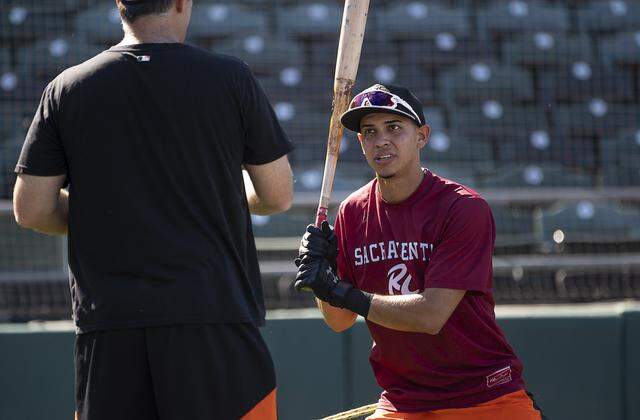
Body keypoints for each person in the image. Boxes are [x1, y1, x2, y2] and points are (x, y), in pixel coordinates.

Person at [13, 1, 293, 419]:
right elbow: (277, 194)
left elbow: (32, 208)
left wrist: (104, 214)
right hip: (214, 320)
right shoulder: (230, 77)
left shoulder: (67, 87)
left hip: (110, 327)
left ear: (120, 5)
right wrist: (224, 202)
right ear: (181, 3)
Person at [295, 84, 544, 419]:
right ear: (360, 143)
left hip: (484, 395)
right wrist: (323, 282)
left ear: (422, 136)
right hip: (404, 400)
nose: (381, 140)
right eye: (370, 132)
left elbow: (430, 316)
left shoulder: (462, 208)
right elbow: (338, 321)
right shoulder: (352, 212)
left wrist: (341, 292)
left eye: (394, 128)